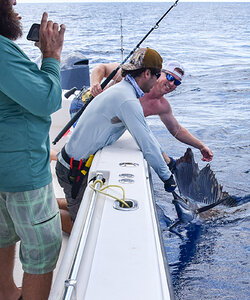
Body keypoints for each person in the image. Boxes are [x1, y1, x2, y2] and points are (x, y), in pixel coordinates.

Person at [56, 47, 177, 230]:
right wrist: (168, 179)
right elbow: (146, 145)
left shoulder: (122, 90)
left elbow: (145, 133)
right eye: (157, 74)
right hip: (72, 171)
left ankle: (49, 205)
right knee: (80, 229)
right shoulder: (127, 100)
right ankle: (38, 216)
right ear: (146, 73)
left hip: (73, 164)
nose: (158, 80)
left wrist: (167, 161)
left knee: (79, 204)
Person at [0, 1, 66, 299]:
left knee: (2, 236)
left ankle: (8, 293)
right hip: (22, 173)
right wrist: (51, 57)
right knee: (43, 250)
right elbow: (47, 100)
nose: (14, 2)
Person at [90, 61, 214, 162]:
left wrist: (201, 146)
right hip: (87, 109)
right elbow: (101, 68)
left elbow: (177, 130)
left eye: (176, 82)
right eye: (170, 77)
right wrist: (95, 84)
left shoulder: (162, 106)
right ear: (160, 73)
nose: (171, 83)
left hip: (108, 129)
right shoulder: (136, 77)